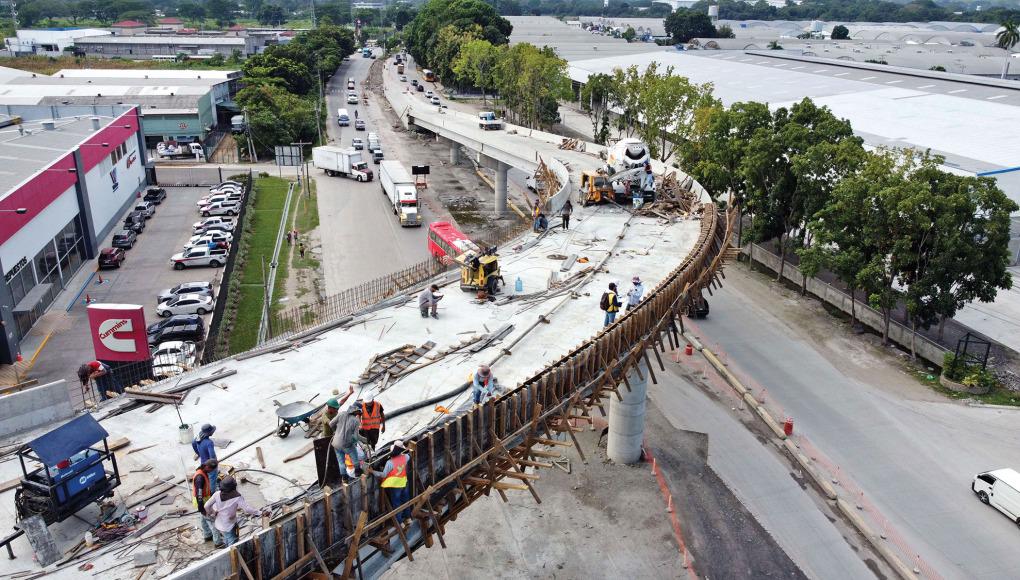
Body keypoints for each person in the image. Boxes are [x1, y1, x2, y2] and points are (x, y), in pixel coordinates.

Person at [205, 476, 267, 548]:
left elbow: (206, 506)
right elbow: (247, 509)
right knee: (232, 544)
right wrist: (260, 512)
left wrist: (212, 513)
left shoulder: (217, 494)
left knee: (226, 538)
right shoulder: (237, 497)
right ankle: (229, 553)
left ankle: (227, 546)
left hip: (219, 522)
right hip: (229, 524)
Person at [372, 440, 411, 522]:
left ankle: (400, 522)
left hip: (395, 485)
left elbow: (383, 475)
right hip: (404, 482)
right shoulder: (406, 457)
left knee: (397, 504)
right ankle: (408, 518)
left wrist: (372, 471)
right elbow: (406, 455)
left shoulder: (390, 463)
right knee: (406, 500)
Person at [330, 406, 365, 478]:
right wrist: (365, 440)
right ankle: (357, 471)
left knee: (341, 462)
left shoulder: (341, 414)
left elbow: (331, 424)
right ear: (355, 412)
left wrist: (335, 431)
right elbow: (356, 436)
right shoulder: (356, 421)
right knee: (354, 454)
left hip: (336, 444)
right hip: (346, 445)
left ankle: (344, 477)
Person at [192, 459, 218, 543]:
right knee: (212, 522)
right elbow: (199, 495)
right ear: (206, 466)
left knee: (203, 520)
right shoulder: (200, 478)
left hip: (204, 500)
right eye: (211, 469)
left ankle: (207, 535)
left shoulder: (203, 471)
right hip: (202, 502)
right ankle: (218, 542)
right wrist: (202, 509)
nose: (211, 471)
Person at [192, 424, 218, 491]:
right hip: (210, 465)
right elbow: (212, 456)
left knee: (206, 476)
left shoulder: (197, 439)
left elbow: (193, 443)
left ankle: (207, 487)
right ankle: (212, 492)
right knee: (212, 479)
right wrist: (214, 464)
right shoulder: (209, 443)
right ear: (209, 433)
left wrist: (199, 453)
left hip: (203, 463)